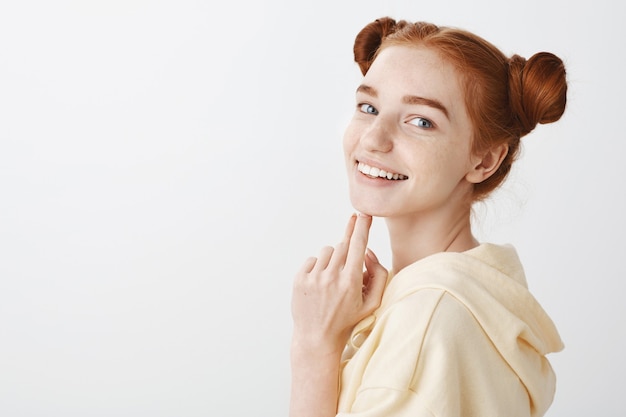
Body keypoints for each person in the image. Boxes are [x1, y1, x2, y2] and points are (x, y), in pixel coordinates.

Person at [289, 16, 567, 417]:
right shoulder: (479, 293)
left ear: (485, 159)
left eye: (421, 121)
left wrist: (313, 346)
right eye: (369, 107)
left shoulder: (425, 324)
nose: (373, 138)